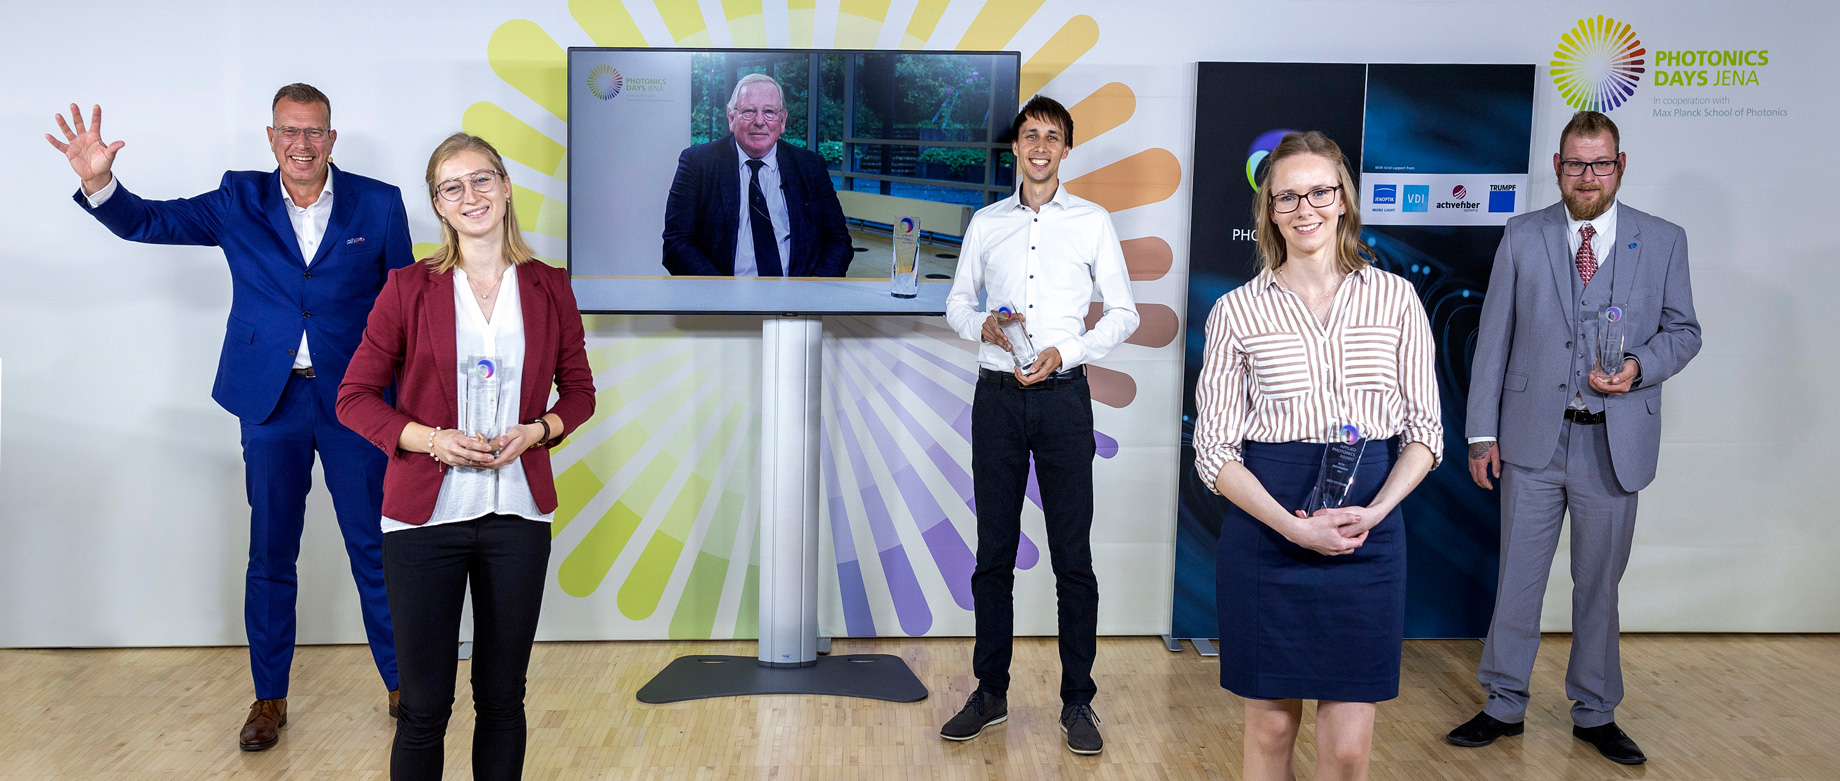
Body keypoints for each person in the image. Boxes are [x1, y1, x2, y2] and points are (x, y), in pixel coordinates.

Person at [47, 85, 411, 751]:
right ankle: (269, 697)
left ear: (334, 138)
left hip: (358, 401)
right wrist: (101, 182)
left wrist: (409, 408)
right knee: (271, 551)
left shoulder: (380, 203)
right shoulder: (237, 198)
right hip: (268, 400)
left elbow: (406, 306)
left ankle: (403, 686)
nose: (302, 143)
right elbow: (148, 222)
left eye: (315, 132)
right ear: (270, 138)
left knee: (377, 547)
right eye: (289, 131)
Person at [336, 133, 594, 780]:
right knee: (424, 705)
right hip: (424, 521)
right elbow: (354, 397)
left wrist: (539, 430)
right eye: (453, 187)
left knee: (503, 698)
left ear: (507, 188)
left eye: (482, 180)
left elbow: (581, 391)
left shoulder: (550, 286)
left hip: (517, 516)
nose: (471, 196)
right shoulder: (406, 288)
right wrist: (431, 438)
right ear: (438, 207)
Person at [1446, 111, 1701, 767]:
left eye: (1601, 163)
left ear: (1621, 165)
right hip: (1532, 441)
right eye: (1575, 164)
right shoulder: (1523, 235)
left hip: (1613, 447)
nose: (1588, 176)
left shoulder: (1664, 240)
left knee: (1598, 585)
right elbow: (1493, 340)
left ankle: (1595, 709)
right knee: (1518, 579)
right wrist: (1481, 433)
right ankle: (1503, 702)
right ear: (1557, 166)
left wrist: (1640, 366)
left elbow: (1684, 331)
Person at [1191, 130, 1443, 781]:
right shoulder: (1235, 312)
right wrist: (1292, 525)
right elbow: (1213, 450)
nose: (1306, 208)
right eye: (1288, 196)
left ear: (1343, 200)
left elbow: (1425, 432)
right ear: (1269, 210)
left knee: (1349, 749)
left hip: (1368, 534)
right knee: (1272, 727)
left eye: (1320, 192)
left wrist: (1378, 510)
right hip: (1268, 529)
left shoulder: (1396, 299)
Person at [939, 95, 1138, 756]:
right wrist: (983, 327)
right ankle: (989, 692)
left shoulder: (1092, 222)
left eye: (1053, 136)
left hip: (1062, 399)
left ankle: (1078, 699)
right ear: (1016, 148)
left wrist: (1068, 349)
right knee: (992, 553)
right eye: (1030, 135)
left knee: (1072, 557)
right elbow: (957, 304)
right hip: (995, 397)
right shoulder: (986, 222)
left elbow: (1123, 313)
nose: (1041, 146)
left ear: (1066, 149)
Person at [661, 73, 852, 277]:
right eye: (749, 111)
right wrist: (720, 295)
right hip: (722, 297)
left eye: (769, 112)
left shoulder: (810, 166)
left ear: (782, 120)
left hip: (798, 297)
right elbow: (677, 242)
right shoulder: (698, 163)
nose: (759, 121)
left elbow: (838, 239)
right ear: (731, 118)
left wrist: (813, 289)